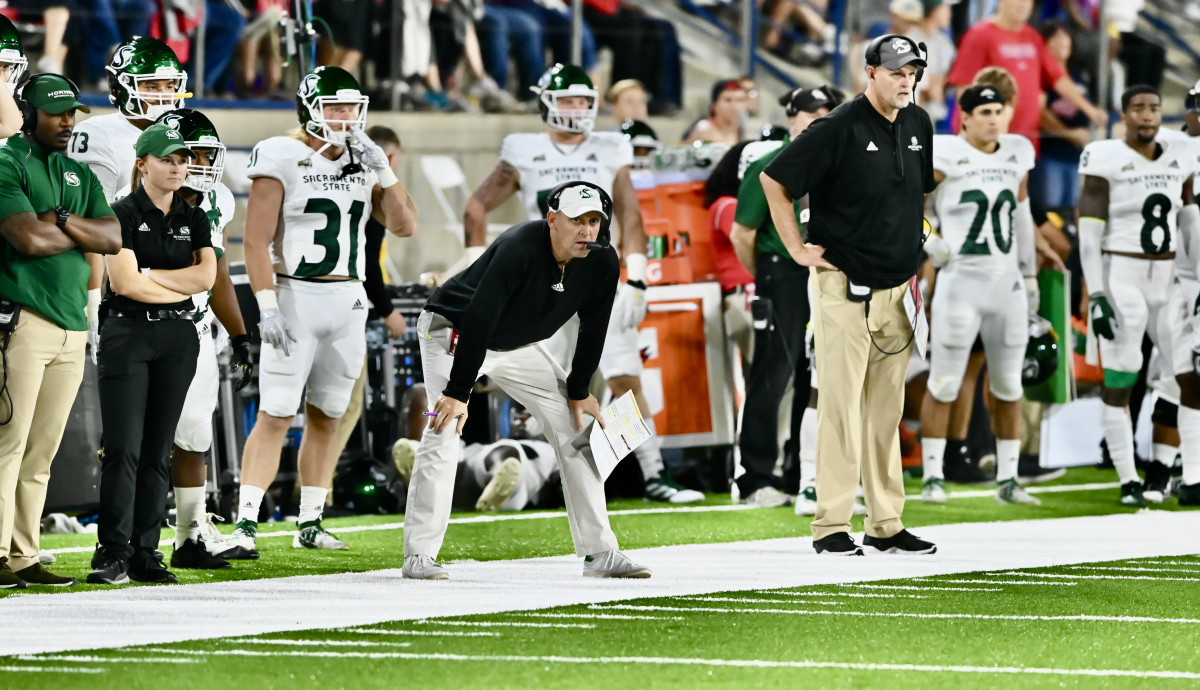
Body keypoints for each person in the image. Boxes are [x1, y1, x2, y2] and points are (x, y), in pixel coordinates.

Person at [463, 64, 696, 503]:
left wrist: (640, 276)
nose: (578, 109)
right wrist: (478, 269)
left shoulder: (610, 146)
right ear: (547, 103)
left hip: (597, 277)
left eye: (585, 101)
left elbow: (629, 212)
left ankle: (652, 472)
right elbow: (476, 209)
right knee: (549, 389)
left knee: (624, 376)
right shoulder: (524, 149)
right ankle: (537, 480)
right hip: (541, 283)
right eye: (569, 100)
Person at [403, 181, 649, 580]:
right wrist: (457, 392)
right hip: (454, 331)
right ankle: (418, 555)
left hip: (517, 344)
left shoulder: (602, 260)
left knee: (577, 428)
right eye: (576, 221)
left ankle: (600, 553)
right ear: (552, 219)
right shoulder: (519, 245)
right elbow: (480, 318)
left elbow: (595, 325)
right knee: (444, 428)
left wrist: (580, 390)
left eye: (593, 221)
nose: (587, 231)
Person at [228, 66, 418, 558]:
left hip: (349, 300)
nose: (345, 116)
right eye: (335, 106)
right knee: (275, 411)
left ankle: (310, 520)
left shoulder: (364, 160)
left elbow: (405, 225)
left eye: (352, 106)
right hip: (295, 295)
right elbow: (254, 240)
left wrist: (386, 171)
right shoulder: (281, 153)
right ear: (310, 107)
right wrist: (266, 306)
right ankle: (245, 524)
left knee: (329, 414)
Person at [761, 34, 938, 556]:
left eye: (912, 72)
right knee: (840, 405)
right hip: (844, 288)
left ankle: (885, 523)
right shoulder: (836, 125)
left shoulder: (919, 123)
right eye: (896, 71)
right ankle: (830, 524)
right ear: (870, 72)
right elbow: (777, 181)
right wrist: (796, 248)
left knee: (886, 411)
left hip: (897, 287)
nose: (905, 81)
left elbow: (916, 191)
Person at [0, 74, 120, 589]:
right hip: (22, 320)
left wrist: (62, 220)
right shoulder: (6, 163)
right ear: (28, 113)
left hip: (73, 323)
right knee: (8, 443)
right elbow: (27, 239)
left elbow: (111, 238)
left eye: (72, 113)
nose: (68, 121)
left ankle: (23, 555)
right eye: (56, 112)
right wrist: (72, 230)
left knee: (41, 450)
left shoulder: (76, 172)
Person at [88, 124, 217, 585]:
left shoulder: (194, 215)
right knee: (123, 446)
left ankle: (146, 551)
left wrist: (151, 277)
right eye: (167, 160)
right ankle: (112, 551)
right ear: (143, 163)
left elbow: (206, 280)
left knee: (159, 448)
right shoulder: (118, 212)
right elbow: (123, 283)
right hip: (128, 333)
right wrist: (169, 284)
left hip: (178, 338)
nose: (178, 167)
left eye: (182, 160)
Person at [918, 85, 1041, 506]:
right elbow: (901, 203)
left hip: (1006, 283)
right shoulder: (947, 152)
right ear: (964, 118)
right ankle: (932, 475)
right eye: (983, 111)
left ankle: (1009, 479)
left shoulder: (1017, 152)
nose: (993, 118)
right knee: (945, 381)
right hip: (960, 281)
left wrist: (1030, 274)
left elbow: (1022, 214)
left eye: (998, 110)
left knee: (1009, 384)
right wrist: (931, 244)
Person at [1077, 85, 1197, 506]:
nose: (1148, 116)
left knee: (1186, 374)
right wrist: (1096, 294)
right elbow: (1089, 234)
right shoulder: (1104, 155)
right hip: (1121, 272)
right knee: (1121, 376)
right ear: (1123, 115)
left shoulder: (1181, 152)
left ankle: (1183, 474)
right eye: (1139, 109)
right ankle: (1128, 477)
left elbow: (1189, 224)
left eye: (1154, 109)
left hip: (1168, 276)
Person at [149, 109, 255, 568]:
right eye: (193, 154)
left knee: (194, 432)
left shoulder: (218, 202)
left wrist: (241, 335)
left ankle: (189, 535)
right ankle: (124, 539)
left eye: (209, 154)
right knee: (138, 439)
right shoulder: (138, 200)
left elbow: (218, 278)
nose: (203, 163)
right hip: (145, 325)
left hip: (195, 327)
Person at [729, 85, 842, 509]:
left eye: (827, 111)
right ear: (791, 117)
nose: (818, 117)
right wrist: (766, 274)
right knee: (773, 372)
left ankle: (800, 473)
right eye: (810, 112)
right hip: (783, 272)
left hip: (823, 273)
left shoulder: (835, 160)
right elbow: (742, 233)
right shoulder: (768, 162)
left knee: (813, 375)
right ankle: (755, 476)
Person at [70, 36, 188, 362]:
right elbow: (94, 224)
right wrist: (93, 299)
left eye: (169, 86)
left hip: (176, 278)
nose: (164, 96)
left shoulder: (186, 132)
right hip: (120, 283)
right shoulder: (99, 134)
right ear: (123, 88)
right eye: (152, 86)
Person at [945, 0, 1105, 152]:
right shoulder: (979, 35)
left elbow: (1058, 78)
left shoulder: (1033, 38)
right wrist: (971, 131)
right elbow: (963, 86)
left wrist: (1090, 110)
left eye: (1028, 1)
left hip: (1023, 143)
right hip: (985, 142)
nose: (1023, 5)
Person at [680, 79, 747, 146]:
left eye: (739, 100)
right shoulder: (704, 128)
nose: (734, 106)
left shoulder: (739, 129)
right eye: (727, 100)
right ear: (714, 105)